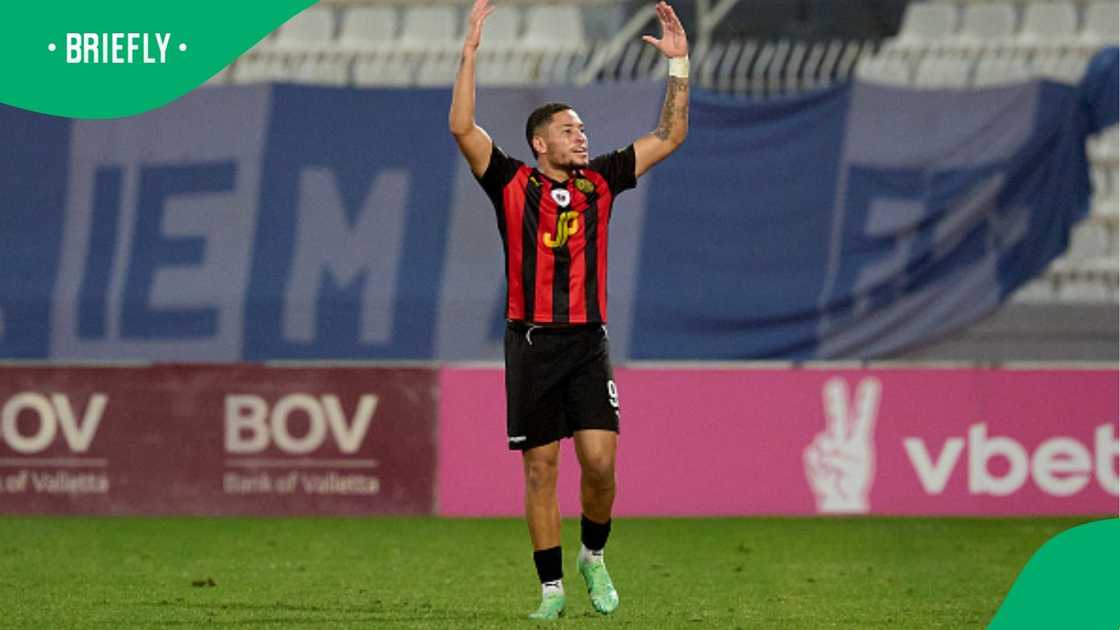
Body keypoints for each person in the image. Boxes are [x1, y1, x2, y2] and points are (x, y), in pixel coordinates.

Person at [449, 0, 689, 620]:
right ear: (539, 142)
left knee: (600, 462)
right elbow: (462, 128)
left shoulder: (601, 180)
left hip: (587, 340)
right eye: (568, 129)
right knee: (540, 468)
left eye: (582, 128)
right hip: (530, 341)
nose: (581, 135)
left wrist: (680, 65)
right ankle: (551, 590)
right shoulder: (509, 182)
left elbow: (670, 136)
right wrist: (470, 51)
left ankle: (594, 554)